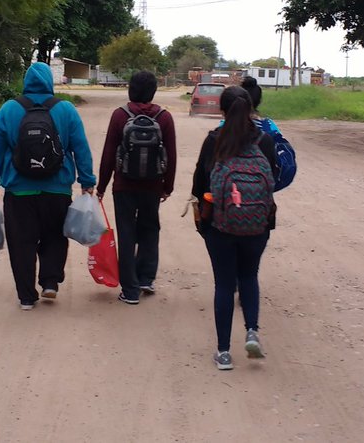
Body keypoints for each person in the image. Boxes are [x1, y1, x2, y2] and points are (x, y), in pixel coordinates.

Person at [0, 62, 96, 310]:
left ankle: (26, 296)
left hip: (18, 190)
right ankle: (50, 283)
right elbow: (81, 148)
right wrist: (87, 181)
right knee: (54, 237)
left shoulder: (9, 109)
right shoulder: (65, 110)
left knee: (21, 242)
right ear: (49, 82)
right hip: (57, 190)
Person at [191, 85, 279, 371]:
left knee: (225, 284)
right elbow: (275, 178)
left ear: (221, 109)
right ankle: (252, 331)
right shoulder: (263, 140)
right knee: (249, 276)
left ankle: (224, 353)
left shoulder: (214, 140)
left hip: (220, 224)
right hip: (257, 224)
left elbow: (199, 183)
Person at [95, 70, 177, 304]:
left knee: (127, 233)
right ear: (153, 91)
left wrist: (101, 186)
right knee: (150, 230)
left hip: (124, 186)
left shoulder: (120, 116)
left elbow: (108, 154)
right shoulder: (164, 117)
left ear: (131, 89)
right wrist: (167, 187)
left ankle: (130, 290)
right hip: (153, 186)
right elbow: (170, 155)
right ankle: (146, 279)